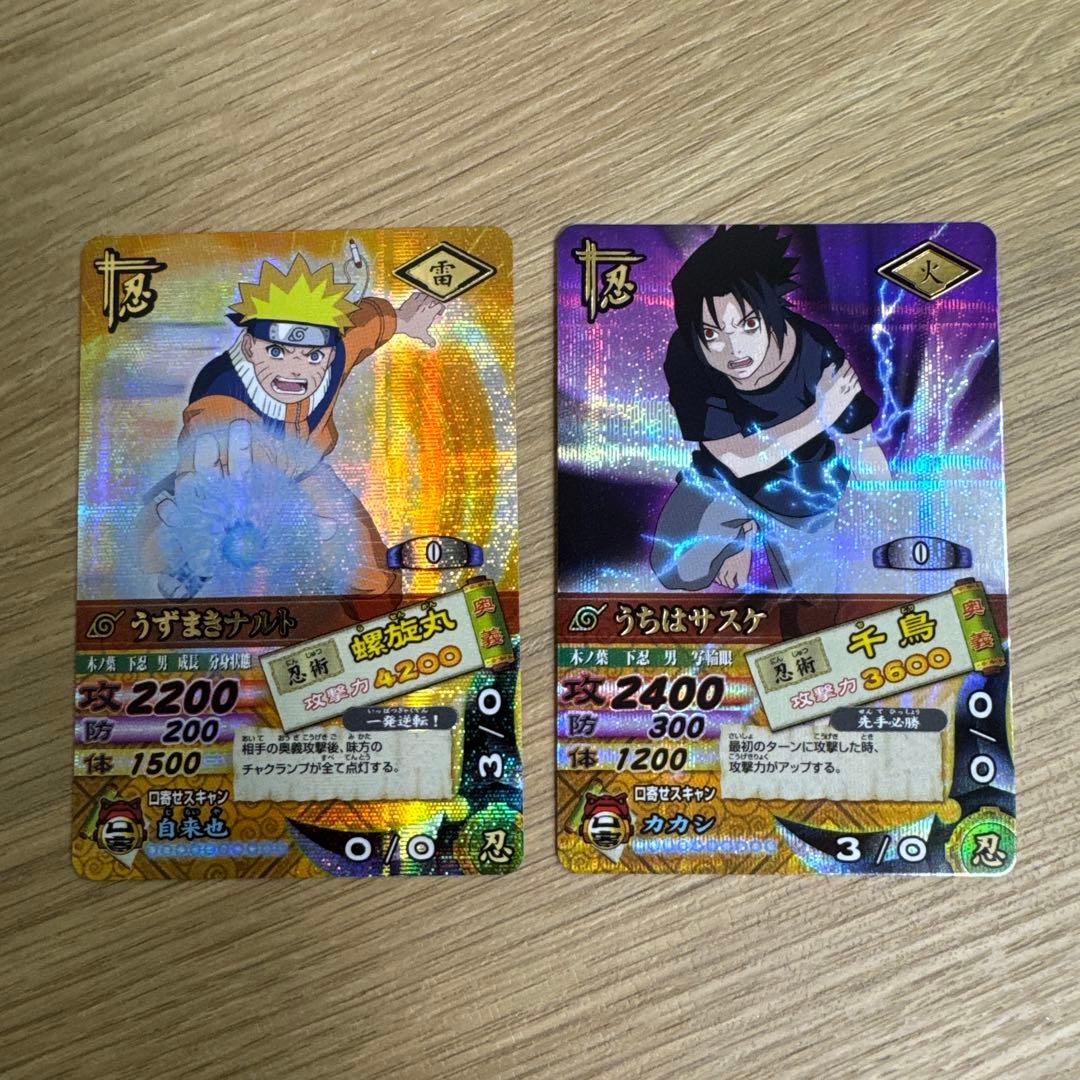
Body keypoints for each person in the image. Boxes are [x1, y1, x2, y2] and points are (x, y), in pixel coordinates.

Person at [141, 253, 444, 598]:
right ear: (250, 347)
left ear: (329, 354)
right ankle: (191, 567)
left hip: (305, 471)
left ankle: (386, 619)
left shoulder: (335, 354)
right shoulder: (222, 391)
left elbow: (364, 327)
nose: (295, 369)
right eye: (277, 352)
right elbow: (220, 445)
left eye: (312, 355)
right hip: (235, 486)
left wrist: (401, 319)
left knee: (370, 570)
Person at [651, 226, 890, 593]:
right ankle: (743, 531)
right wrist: (819, 416)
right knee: (677, 568)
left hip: (803, 492)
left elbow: (863, 441)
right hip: (724, 482)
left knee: (818, 605)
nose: (734, 350)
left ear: (771, 310)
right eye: (712, 333)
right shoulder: (687, 355)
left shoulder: (815, 349)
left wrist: (887, 516)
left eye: (748, 325)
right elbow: (738, 459)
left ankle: (759, 530)